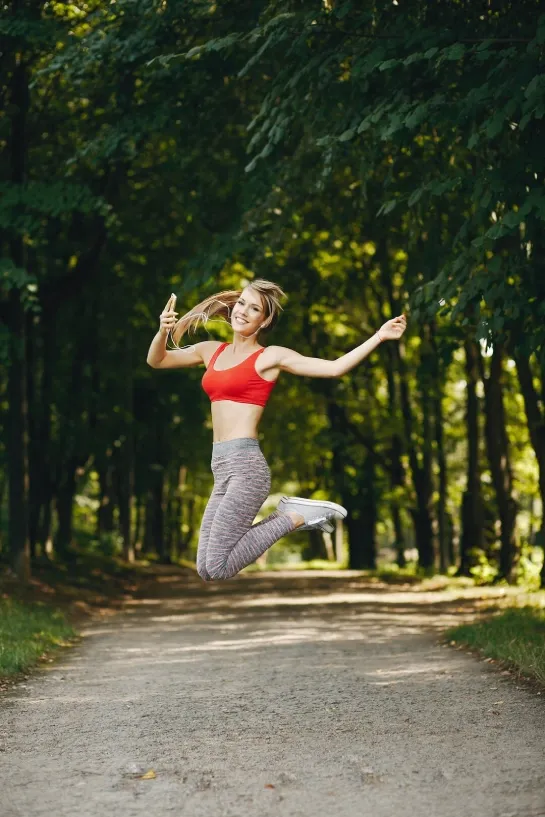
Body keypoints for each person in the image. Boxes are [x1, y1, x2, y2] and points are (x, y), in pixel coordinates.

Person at [147, 279, 407, 580]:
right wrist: (163, 331)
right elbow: (157, 360)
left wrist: (379, 336)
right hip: (220, 466)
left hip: (246, 468)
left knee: (217, 567)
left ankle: (292, 517)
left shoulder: (268, 357)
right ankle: (291, 516)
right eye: (242, 303)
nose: (243, 311)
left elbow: (334, 367)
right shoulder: (211, 351)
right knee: (206, 569)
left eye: (254, 308)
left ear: (265, 319)